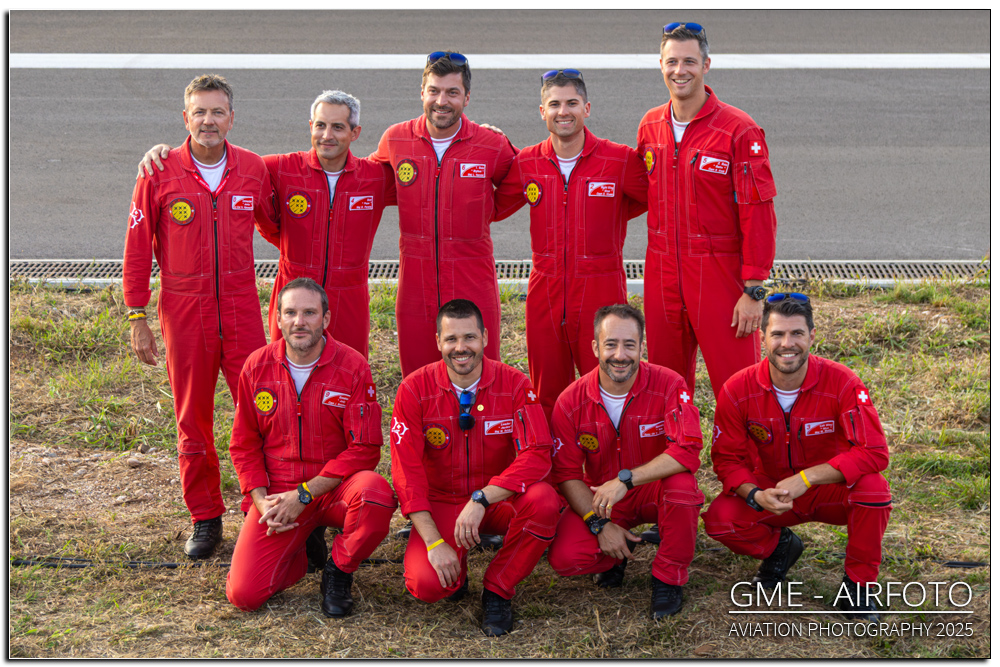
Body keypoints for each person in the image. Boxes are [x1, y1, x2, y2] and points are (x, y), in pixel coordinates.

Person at [124, 73, 275, 559]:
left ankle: (264, 510)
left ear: (232, 118)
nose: (208, 121)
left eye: (217, 112)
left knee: (262, 410)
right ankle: (205, 516)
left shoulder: (253, 168)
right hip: (184, 309)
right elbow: (137, 247)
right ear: (185, 118)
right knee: (192, 418)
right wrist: (136, 314)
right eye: (200, 112)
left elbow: (278, 225)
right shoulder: (158, 171)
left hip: (241, 307)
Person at [137, 90, 396, 359]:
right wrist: (167, 155)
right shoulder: (280, 168)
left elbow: (417, 185)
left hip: (350, 299)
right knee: (283, 375)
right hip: (292, 295)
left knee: (348, 372)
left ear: (355, 133)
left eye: (338, 127)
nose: (327, 135)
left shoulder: (376, 177)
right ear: (311, 126)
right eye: (320, 125)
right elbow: (228, 165)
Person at [701, 293, 891, 621]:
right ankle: (781, 547)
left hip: (829, 489)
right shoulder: (737, 389)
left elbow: (873, 452)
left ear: (812, 336)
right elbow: (727, 460)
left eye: (797, 333)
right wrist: (754, 494)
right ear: (762, 338)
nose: (787, 344)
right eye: (777, 334)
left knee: (873, 490)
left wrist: (808, 478)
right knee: (720, 520)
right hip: (772, 492)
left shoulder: (843, 382)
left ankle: (858, 587)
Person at [226, 278, 396, 616]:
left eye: (309, 313)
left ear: (326, 318)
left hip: (332, 488)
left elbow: (365, 448)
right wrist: (262, 503)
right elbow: (244, 444)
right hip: (279, 492)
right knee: (244, 595)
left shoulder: (353, 366)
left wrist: (305, 494)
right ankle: (302, 549)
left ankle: (338, 571)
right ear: (277, 318)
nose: (299, 322)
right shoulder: (256, 366)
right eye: (290, 313)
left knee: (376, 494)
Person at [389, 299, 559, 636]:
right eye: (451, 339)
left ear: (485, 337)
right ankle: (456, 567)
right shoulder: (413, 389)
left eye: (469, 337)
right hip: (443, 500)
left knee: (544, 501)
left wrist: (483, 498)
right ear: (438, 341)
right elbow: (406, 473)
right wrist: (434, 543)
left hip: (496, 499)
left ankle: (498, 587)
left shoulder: (515, 384)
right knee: (427, 585)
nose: (460, 348)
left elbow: (537, 453)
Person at [493, 69, 648, 419]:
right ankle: (551, 453)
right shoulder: (527, 162)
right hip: (545, 291)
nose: (563, 112)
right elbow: (494, 207)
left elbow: (656, 196)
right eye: (554, 104)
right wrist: (489, 145)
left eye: (572, 103)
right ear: (542, 112)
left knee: (608, 384)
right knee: (547, 390)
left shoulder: (619, 160)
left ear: (587, 108)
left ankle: (609, 448)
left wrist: (613, 213)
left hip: (601, 288)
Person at [636, 22, 777, 399]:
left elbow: (759, 214)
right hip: (662, 273)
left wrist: (754, 289)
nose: (679, 70)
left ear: (706, 65)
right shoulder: (650, 125)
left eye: (689, 62)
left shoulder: (738, 130)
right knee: (665, 389)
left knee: (739, 389)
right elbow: (626, 185)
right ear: (661, 65)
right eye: (672, 62)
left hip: (718, 275)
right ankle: (677, 442)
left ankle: (741, 444)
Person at [547, 304, 704, 619]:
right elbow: (566, 473)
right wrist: (598, 524)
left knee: (682, 486)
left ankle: (668, 577)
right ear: (595, 347)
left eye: (629, 345)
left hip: (651, 489)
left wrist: (626, 479)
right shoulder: (570, 401)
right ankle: (616, 552)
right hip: (603, 499)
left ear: (641, 347)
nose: (620, 355)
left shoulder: (669, 384)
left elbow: (687, 449)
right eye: (611, 345)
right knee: (566, 558)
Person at [372, 51, 518, 378]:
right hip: (415, 283)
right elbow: (365, 181)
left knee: (480, 373)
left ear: (467, 97)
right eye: (434, 91)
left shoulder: (491, 144)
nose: (442, 101)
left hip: (473, 278)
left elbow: (521, 181)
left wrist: (486, 211)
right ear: (422, 93)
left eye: (452, 92)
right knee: (418, 377)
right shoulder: (395, 139)